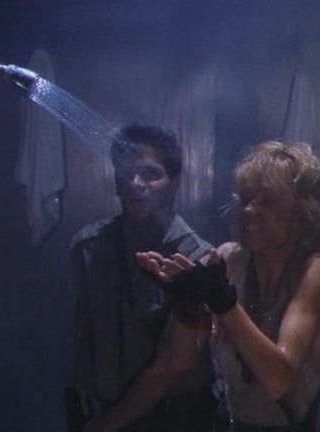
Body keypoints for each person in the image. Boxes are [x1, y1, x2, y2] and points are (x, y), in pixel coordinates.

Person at [137, 141, 320, 432]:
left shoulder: (314, 271)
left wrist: (225, 303)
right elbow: (180, 360)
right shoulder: (230, 259)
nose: (249, 209)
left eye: (267, 200)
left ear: (301, 211)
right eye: (246, 197)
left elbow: (280, 380)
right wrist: (185, 302)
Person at [71, 123, 217, 432]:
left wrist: (102, 428)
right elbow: (85, 320)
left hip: (176, 419)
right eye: (127, 172)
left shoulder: (196, 260)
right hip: (109, 406)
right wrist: (83, 373)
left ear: (175, 183)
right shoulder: (90, 247)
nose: (136, 183)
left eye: (151, 174)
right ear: (116, 181)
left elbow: (171, 366)